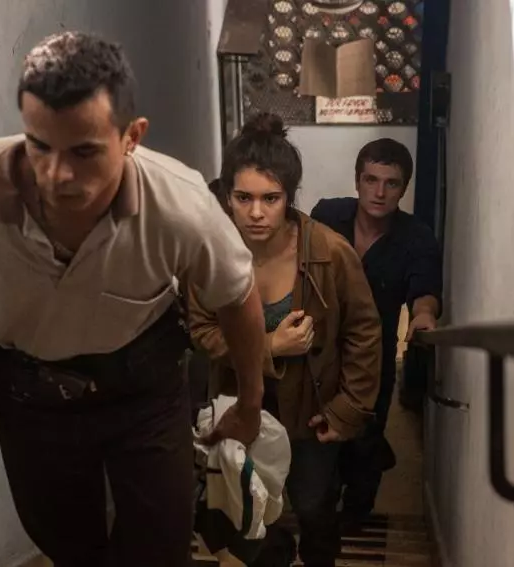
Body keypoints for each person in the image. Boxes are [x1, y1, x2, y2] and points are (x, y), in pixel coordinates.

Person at [0, 31, 266, 567]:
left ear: (131, 137)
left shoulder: (179, 203)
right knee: (65, 545)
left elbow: (237, 298)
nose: (56, 176)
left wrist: (250, 404)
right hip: (31, 398)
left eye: (84, 151)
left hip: (145, 394)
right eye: (40, 146)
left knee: (161, 546)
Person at [188, 112, 382, 567]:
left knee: (313, 505)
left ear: (289, 197)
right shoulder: (209, 254)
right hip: (241, 404)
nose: (256, 213)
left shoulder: (329, 252)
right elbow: (202, 331)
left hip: (312, 409)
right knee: (250, 506)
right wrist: (270, 346)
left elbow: (365, 331)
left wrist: (347, 410)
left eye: (270, 199)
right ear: (227, 197)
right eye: (244, 198)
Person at [310, 138, 442, 521]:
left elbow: (424, 288)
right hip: (320, 349)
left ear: (404, 188)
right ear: (357, 181)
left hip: (374, 355)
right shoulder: (327, 216)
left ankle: (356, 513)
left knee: (364, 439)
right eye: (371, 180)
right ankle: (321, 514)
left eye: (391, 183)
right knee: (317, 433)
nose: (379, 192)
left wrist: (423, 315)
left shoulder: (415, 237)